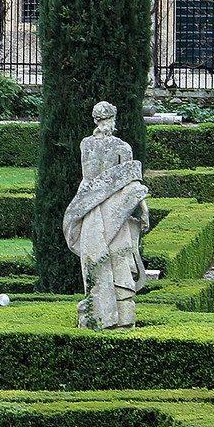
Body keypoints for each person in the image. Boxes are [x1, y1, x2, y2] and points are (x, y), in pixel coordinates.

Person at [63, 101, 150, 329]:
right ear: (113, 119)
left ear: (96, 120)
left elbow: (88, 181)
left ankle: (101, 315)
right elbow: (131, 184)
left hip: (92, 210)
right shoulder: (122, 147)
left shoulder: (86, 145)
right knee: (116, 258)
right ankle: (120, 318)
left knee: (97, 260)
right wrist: (143, 208)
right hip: (114, 211)